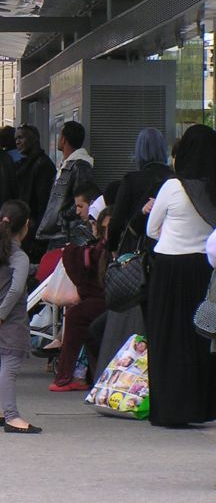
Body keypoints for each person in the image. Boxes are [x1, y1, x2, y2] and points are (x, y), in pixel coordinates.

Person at [144, 124, 216, 427]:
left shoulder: (173, 187)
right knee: (200, 336)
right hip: (204, 270)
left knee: (168, 337)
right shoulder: (212, 188)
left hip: (169, 269)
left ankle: (171, 408)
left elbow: (151, 229)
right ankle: (201, 406)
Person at [0, 200, 42, 433]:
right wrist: (1, 314)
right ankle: (12, 417)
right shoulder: (19, 257)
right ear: (25, 225)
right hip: (10, 322)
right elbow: (16, 288)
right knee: (9, 368)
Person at [50, 206, 110, 391]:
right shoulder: (99, 247)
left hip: (111, 300)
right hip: (104, 299)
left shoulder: (102, 248)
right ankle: (74, 374)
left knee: (76, 315)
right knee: (78, 314)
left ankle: (68, 375)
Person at [106, 127, 173, 257]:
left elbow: (117, 221)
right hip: (168, 248)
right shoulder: (174, 179)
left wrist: (112, 248)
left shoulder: (131, 180)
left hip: (137, 251)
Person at [36, 120, 95, 249]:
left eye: (60, 135)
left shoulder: (80, 166)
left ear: (64, 139)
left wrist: (62, 217)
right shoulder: (67, 165)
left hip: (67, 233)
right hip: (59, 232)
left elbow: (84, 197)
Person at [14, 124, 56, 260]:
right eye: (16, 139)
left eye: (21, 138)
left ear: (34, 139)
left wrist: (38, 235)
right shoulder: (25, 164)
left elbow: (44, 203)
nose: (17, 142)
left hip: (35, 232)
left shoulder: (42, 165)